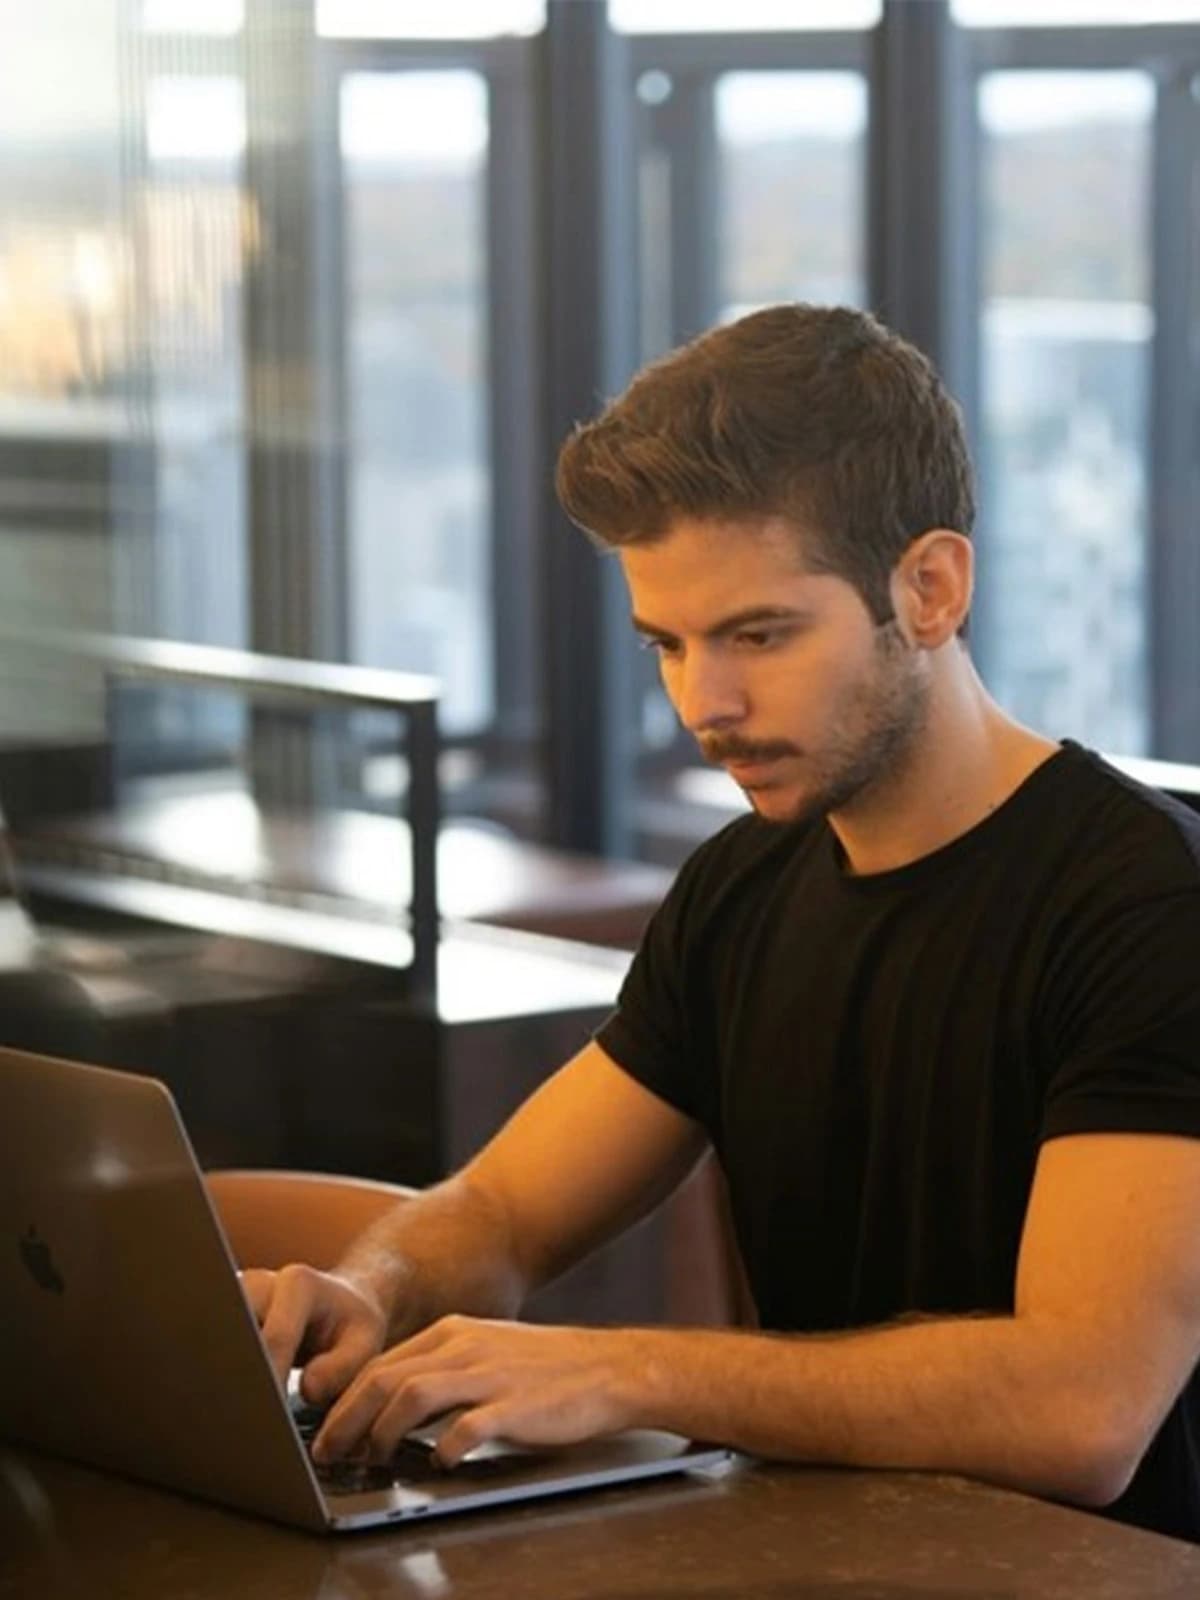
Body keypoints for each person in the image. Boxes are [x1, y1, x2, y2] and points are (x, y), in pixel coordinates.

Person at [244, 305, 1200, 1542]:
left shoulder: (1146, 904)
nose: (707, 701)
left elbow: (1081, 1408)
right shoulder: (740, 887)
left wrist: (632, 1370)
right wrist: (370, 1286)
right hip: (816, 1561)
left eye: (759, 633)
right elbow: (506, 1213)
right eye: (668, 645)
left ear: (931, 588)